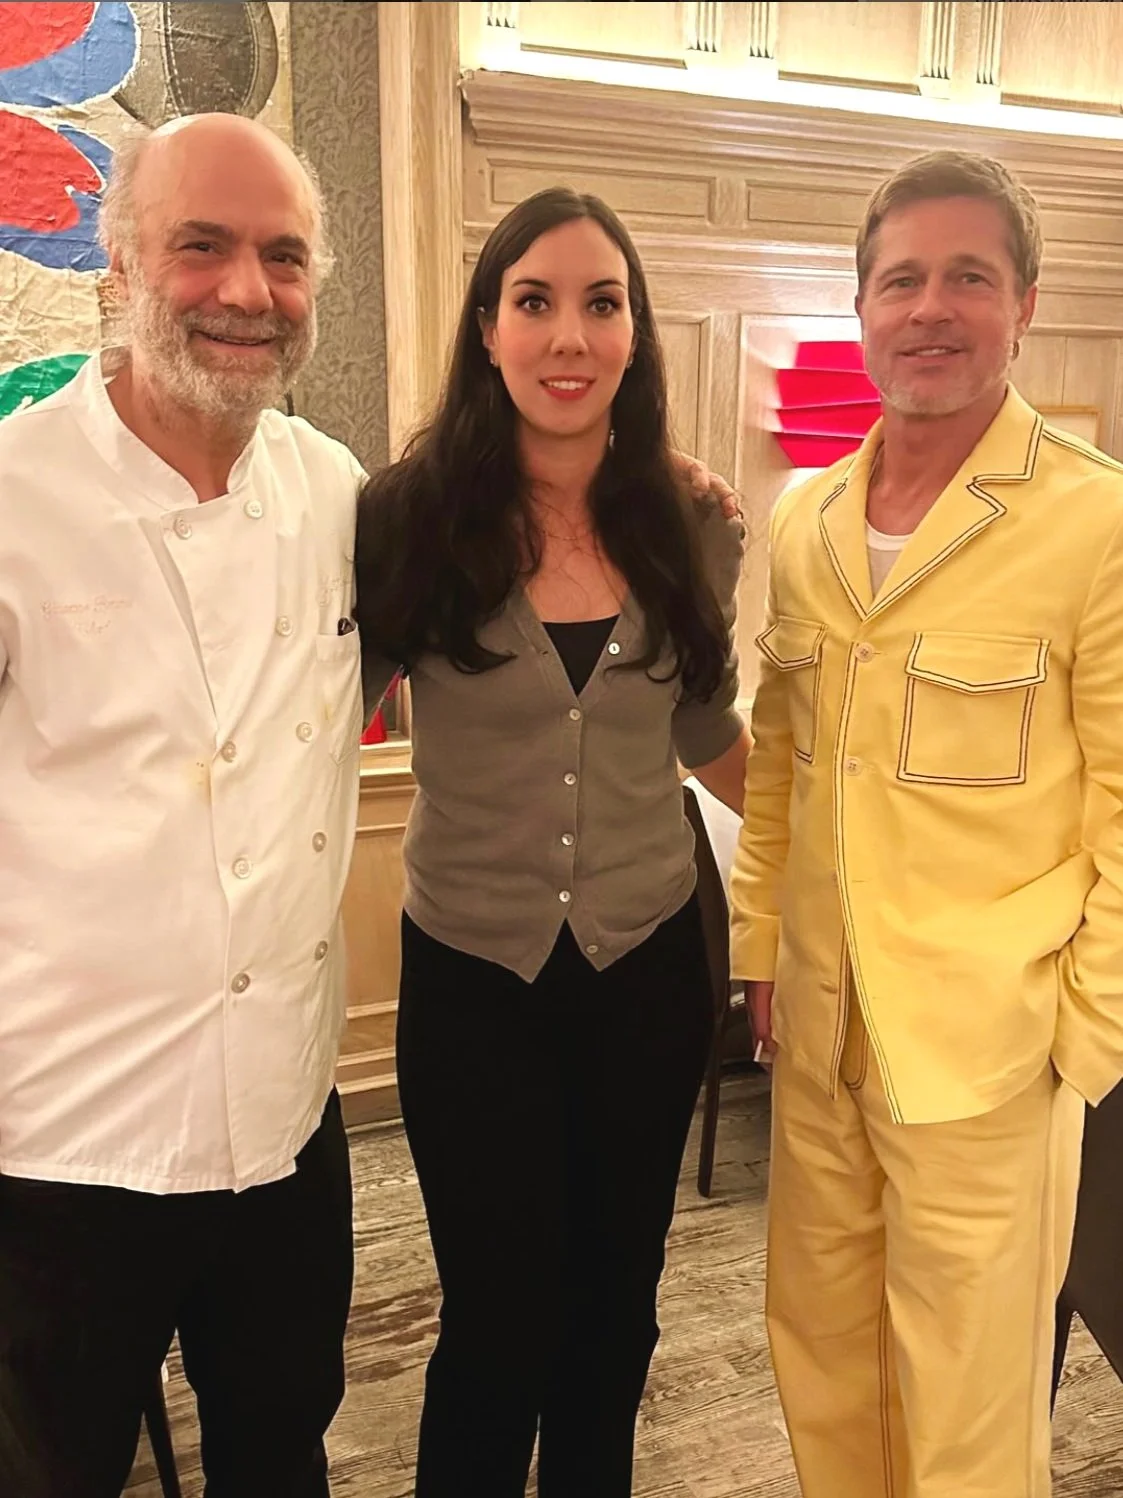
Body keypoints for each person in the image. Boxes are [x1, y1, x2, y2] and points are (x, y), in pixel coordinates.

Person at [730, 149, 1123, 1498]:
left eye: (968, 275)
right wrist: (758, 948)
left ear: (1022, 302)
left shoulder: (1092, 519)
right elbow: (778, 759)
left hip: (991, 1053)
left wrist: (1084, 1029)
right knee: (825, 1356)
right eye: (901, 279)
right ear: (862, 307)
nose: (930, 308)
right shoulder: (808, 522)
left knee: (968, 1399)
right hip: (825, 1034)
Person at [355, 186, 749, 1497]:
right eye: (534, 301)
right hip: (474, 984)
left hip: (646, 971)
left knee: (615, 1310)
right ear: (485, 329)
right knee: (496, 1317)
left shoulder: (689, 524)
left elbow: (706, 733)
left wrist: (849, 847)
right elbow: (308, 724)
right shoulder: (402, 518)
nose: (567, 335)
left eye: (600, 301)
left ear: (634, 334)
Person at [0, 114, 364, 1498]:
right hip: (61, 1140)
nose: (244, 290)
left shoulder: (332, 491)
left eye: (282, 257)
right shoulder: (16, 492)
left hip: (280, 1117)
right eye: (200, 246)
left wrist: (659, 496)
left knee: (280, 1453)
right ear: (122, 264)